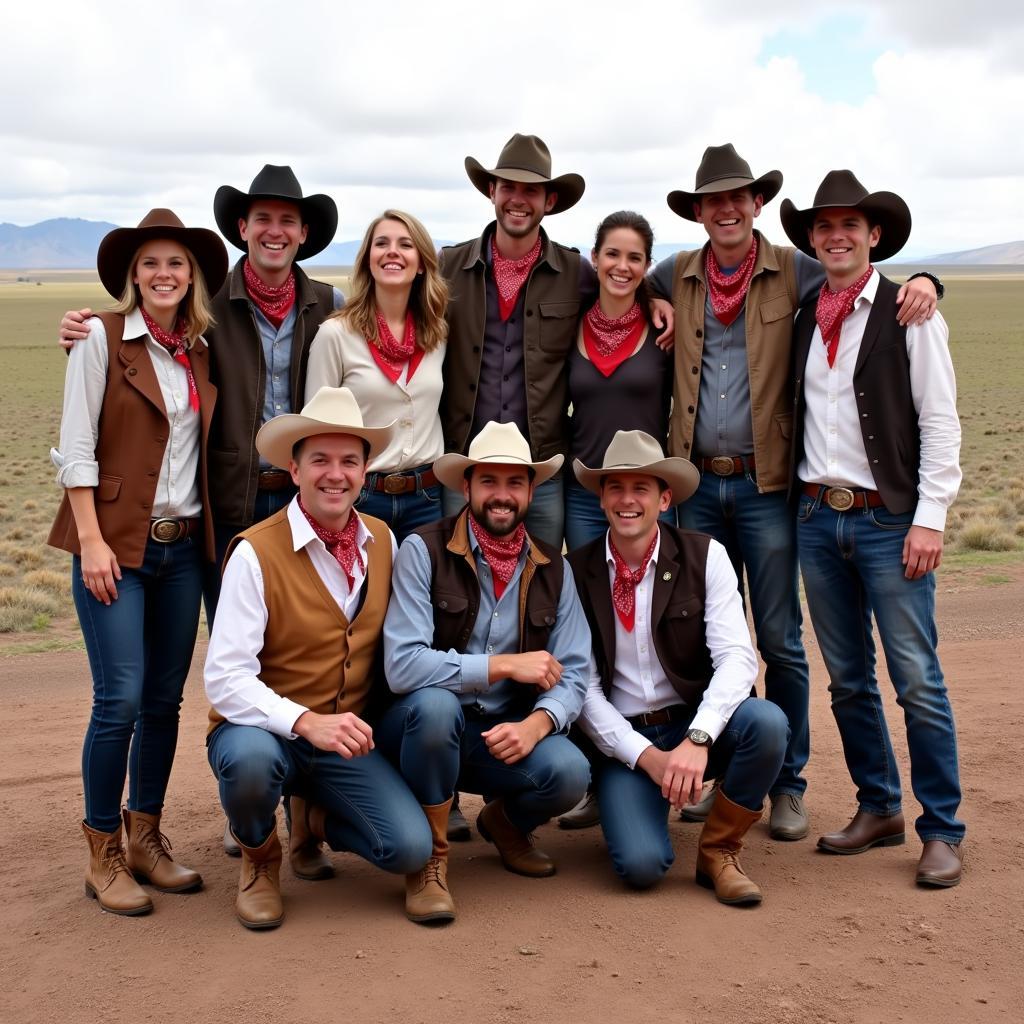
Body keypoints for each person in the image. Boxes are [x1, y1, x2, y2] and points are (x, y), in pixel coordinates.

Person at [647, 144, 940, 838]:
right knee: (700, 636)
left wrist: (928, 280)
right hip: (692, 486)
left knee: (779, 637)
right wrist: (653, 304)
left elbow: (863, 283)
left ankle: (786, 782)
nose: (725, 209)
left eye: (737, 197)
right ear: (697, 212)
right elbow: (618, 286)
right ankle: (712, 772)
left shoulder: (797, 271)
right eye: (711, 200)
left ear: (755, 205)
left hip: (768, 485)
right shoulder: (672, 274)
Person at [781, 170, 965, 888]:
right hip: (816, 520)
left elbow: (940, 421)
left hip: (890, 522)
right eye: (824, 227)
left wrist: (930, 518)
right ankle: (879, 806)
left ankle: (942, 828)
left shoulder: (912, 313)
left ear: (874, 234)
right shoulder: (804, 313)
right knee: (849, 679)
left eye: (849, 225)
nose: (836, 236)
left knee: (917, 679)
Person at [48, 209, 228, 916]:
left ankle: (146, 835)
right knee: (118, 697)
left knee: (163, 699)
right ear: (133, 274)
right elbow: (76, 446)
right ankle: (102, 852)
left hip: (182, 548)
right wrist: (91, 540)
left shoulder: (201, 348)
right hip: (115, 545)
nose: (163, 274)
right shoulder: (99, 337)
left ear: (192, 278)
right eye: (150, 263)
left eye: (175, 264)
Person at [204, 387, 432, 929]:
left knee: (407, 849)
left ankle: (315, 818)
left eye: (349, 461)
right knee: (251, 764)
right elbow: (225, 678)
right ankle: (260, 859)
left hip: (342, 741)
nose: (336, 474)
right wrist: (305, 722)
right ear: (294, 468)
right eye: (320, 461)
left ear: (366, 469)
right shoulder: (255, 552)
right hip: (263, 732)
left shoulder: (383, 540)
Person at [379, 421, 592, 923]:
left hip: (500, 733)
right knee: (433, 707)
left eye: (514, 482)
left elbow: (576, 670)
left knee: (569, 771)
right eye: (489, 482)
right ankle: (430, 861)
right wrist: (502, 666)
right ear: (465, 486)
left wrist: (537, 723)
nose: (502, 495)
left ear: (530, 490)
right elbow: (402, 665)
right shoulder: (422, 551)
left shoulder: (552, 567)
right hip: (425, 732)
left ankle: (505, 823)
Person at [568, 431, 787, 904]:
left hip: (694, 723)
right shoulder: (575, 571)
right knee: (641, 868)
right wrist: (647, 757)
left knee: (766, 724)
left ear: (664, 499)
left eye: (641, 488)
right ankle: (633, 804)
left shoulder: (705, 555)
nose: (628, 500)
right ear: (602, 498)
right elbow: (581, 690)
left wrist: (698, 738)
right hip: (625, 740)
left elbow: (737, 659)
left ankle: (720, 850)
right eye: (616, 488)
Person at [438, 133, 673, 550]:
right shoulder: (448, 268)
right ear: (491, 191)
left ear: (549, 202)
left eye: (532, 190)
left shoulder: (574, 272)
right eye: (508, 186)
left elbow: (619, 283)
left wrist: (654, 297)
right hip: (465, 465)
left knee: (544, 581)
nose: (518, 199)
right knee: (458, 583)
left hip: (542, 469)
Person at [305, 210, 448, 542]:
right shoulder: (335, 335)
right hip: (361, 497)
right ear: (368, 260)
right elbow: (315, 428)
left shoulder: (438, 335)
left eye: (405, 244)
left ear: (422, 262)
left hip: (426, 498)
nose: (392, 251)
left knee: (421, 594)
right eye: (381, 243)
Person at [563, 211, 674, 552]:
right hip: (585, 493)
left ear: (647, 265)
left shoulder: (663, 329)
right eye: (612, 254)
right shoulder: (569, 323)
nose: (622, 266)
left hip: (647, 494)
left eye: (634, 258)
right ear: (594, 258)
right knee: (588, 596)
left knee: (656, 599)